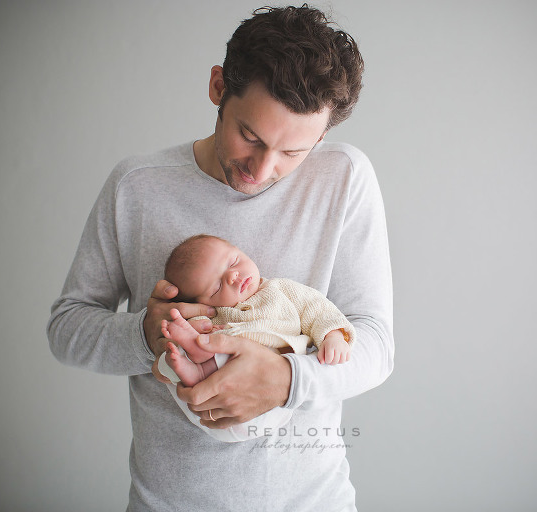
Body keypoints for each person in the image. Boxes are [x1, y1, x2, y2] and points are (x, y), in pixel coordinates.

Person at [47, 5, 393, 511]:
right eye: (249, 136)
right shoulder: (138, 186)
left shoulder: (344, 177)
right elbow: (67, 330)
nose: (262, 169)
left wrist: (287, 382)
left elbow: (376, 344)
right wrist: (146, 334)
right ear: (216, 88)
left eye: (293, 152)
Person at [157, 234, 355, 442]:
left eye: (234, 262)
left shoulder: (280, 290)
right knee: (191, 350)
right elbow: (193, 328)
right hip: (215, 397)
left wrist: (332, 335)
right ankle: (192, 367)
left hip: (272, 373)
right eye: (216, 288)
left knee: (203, 350)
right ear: (201, 302)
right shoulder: (212, 313)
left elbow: (316, 308)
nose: (233, 276)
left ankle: (193, 361)